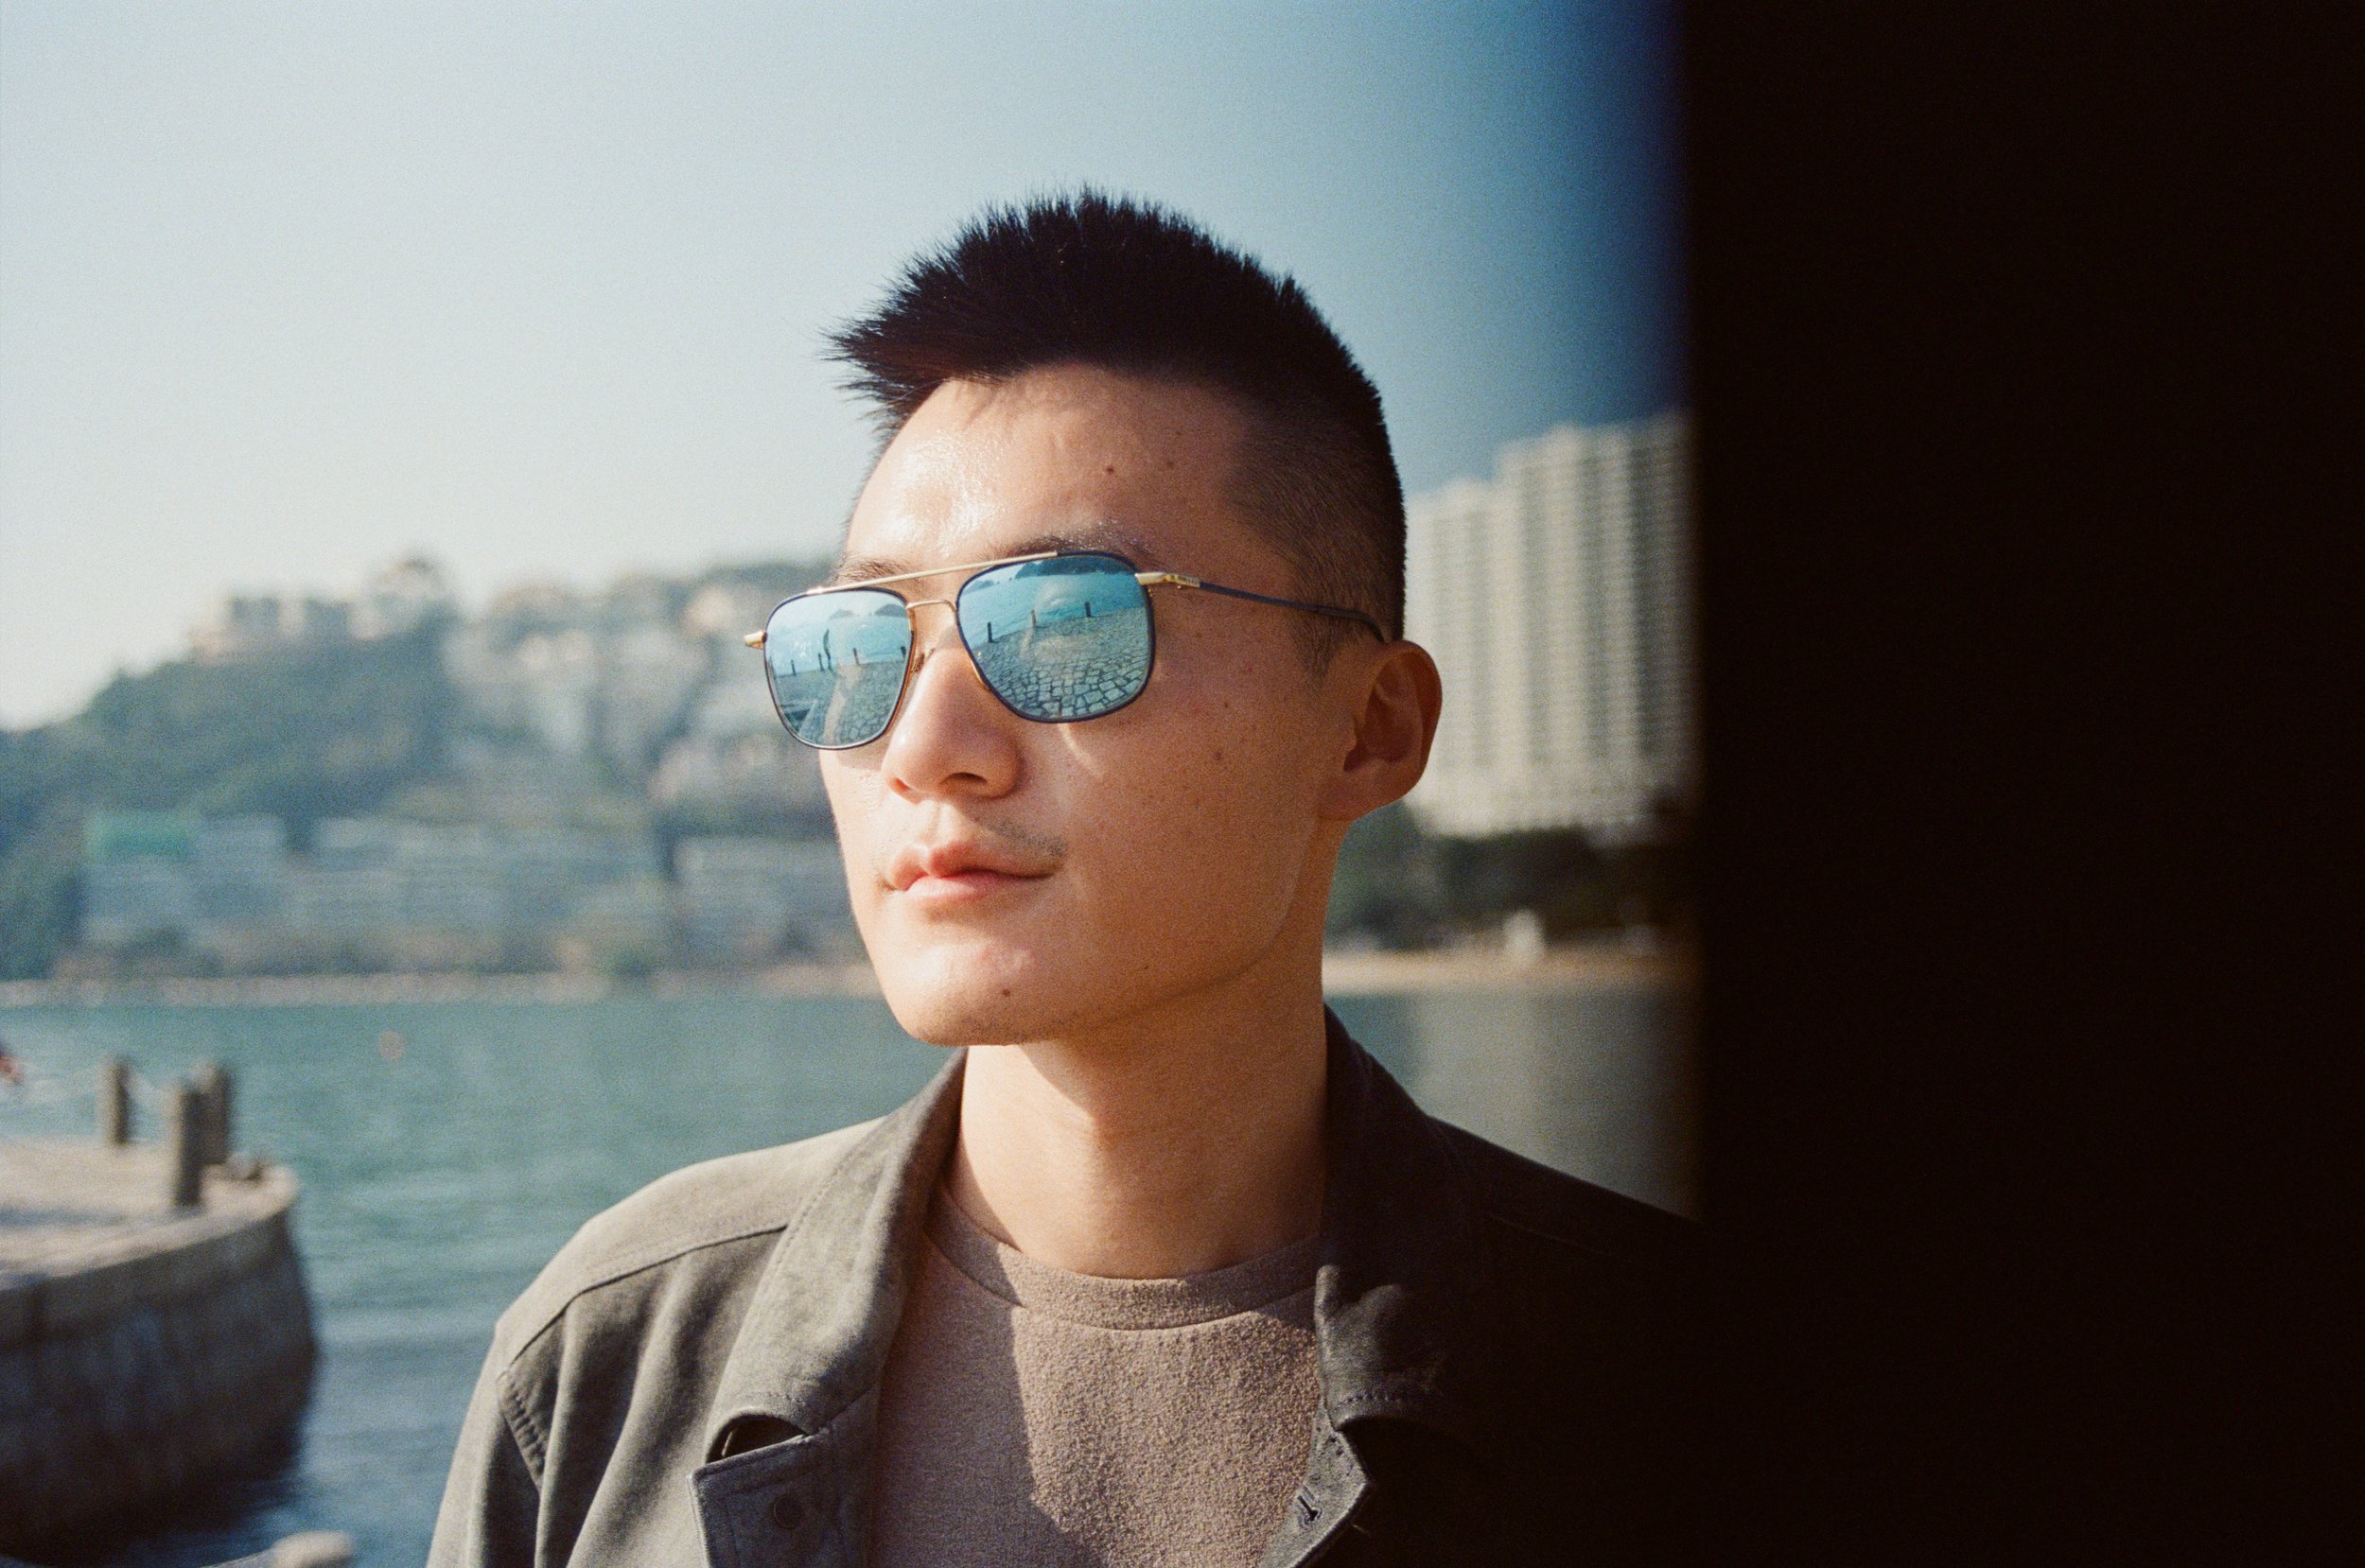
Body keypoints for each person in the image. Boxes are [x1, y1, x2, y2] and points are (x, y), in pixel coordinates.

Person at [429, 192, 1697, 1567]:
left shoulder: (1666, 1390)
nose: (923, 746)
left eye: (1066, 624)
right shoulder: (611, 1368)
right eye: (856, 647)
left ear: (1368, 727)